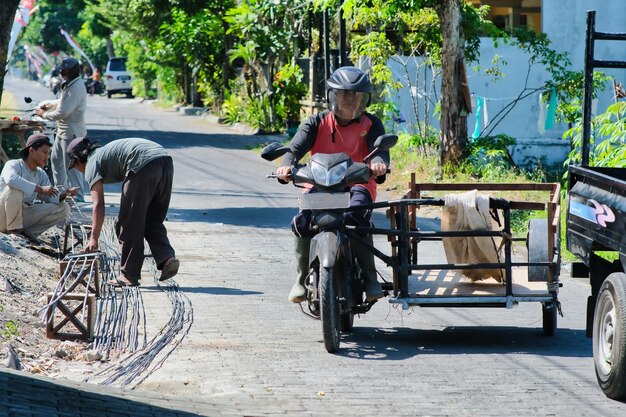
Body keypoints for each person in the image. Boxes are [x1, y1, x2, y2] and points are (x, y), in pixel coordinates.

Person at [275, 66, 390, 303]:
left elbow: (380, 152)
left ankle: (370, 278)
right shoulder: (316, 122)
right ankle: (300, 279)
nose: (349, 99)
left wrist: (378, 163)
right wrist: (286, 166)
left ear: (364, 99)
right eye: (344, 94)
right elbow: (294, 150)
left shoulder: (371, 124)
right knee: (302, 221)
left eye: (355, 95)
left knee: (357, 219)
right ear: (332, 96)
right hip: (319, 185)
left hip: (358, 185)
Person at [66, 137, 179, 287]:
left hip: (142, 164)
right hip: (164, 160)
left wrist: (93, 238)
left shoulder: (92, 163)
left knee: (127, 223)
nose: (80, 171)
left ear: (78, 160)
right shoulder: (103, 154)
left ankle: (129, 275)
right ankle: (167, 259)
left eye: (76, 167)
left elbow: (98, 205)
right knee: (151, 220)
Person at [0, 133, 79, 240]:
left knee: (63, 208)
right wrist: (39, 189)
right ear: (31, 150)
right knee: (14, 189)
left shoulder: (41, 173)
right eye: (44, 152)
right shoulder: (13, 164)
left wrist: (65, 193)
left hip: (23, 216)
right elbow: (11, 179)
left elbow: (48, 196)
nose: (47, 157)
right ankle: (12, 231)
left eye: (49, 153)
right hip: (3, 215)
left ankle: (29, 233)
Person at [35, 57, 88, 202]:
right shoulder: (71, 84)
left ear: (73, 70)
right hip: (63, 131)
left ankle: (79, 199)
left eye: (65, 69)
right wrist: (50, 104)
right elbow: (62, 102)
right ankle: (60, 194)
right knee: (56, 161)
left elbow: (62, 112)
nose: (62, 71)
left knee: (72, 167)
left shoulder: (76, 87)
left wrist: (44, 114)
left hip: (72, 133)